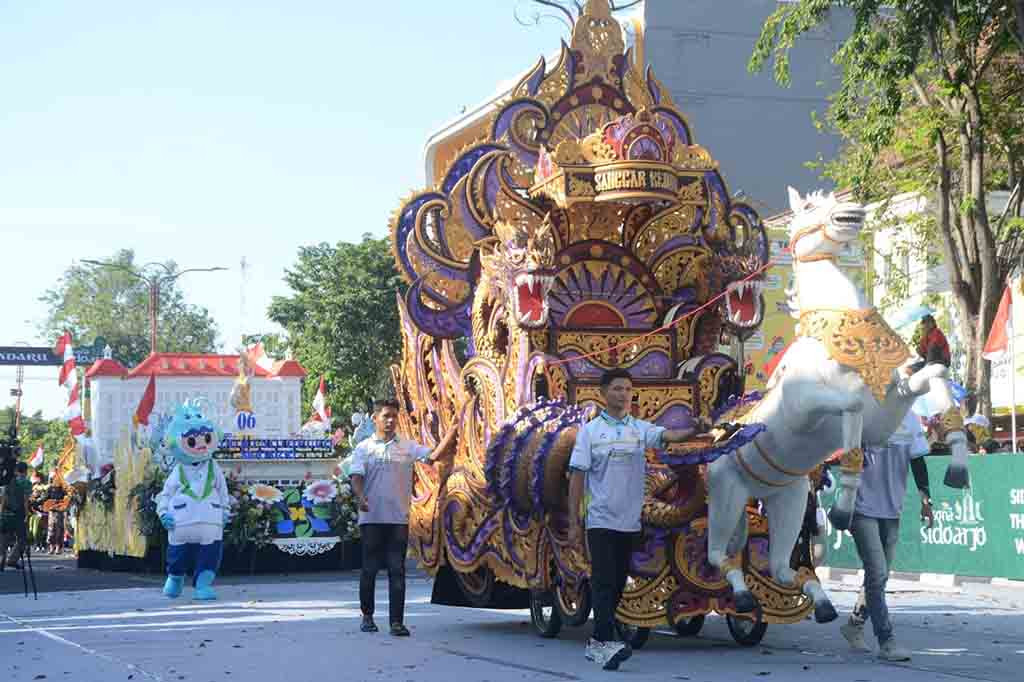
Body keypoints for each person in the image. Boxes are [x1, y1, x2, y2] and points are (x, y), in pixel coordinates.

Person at [567, 368, 709, 671]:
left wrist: (695, 430)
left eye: (628, 389)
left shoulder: (639, 429)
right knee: (604, 582)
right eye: (617, 389)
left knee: (617, 583)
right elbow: (577, 478)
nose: (624, 394)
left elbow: (669, 436)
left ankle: (597, 641)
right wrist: (574, 520)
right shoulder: (590, 432)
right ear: (604, 394)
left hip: (630, 521)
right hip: (600, 519)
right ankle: (603, 644)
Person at [349, 398, 456, 637]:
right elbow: (356, 476)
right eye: (385, 416)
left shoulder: (406, 446)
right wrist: (360, 497)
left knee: (397, 570)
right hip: (372, 518)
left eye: (394, 416)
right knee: (370, 569)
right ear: (374, 418)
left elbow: (434, 456)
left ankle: (396, 622)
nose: (390, 420)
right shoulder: (364, 448)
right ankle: (367, 616)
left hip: (398, 517)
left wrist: (452, 431)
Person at [840, 410, 934, 661]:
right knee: (878, 572)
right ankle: (886, 641)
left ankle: (854, 625)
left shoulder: (911, 418)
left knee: (878, 578)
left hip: (892, 510)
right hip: (861, 508)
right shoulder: (863, 415)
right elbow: (845, 457)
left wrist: (927, 499)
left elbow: (918, 461)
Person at [0, 462, 33, 571]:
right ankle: (12, 560)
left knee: (4, 539)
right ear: (26, 471)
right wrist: (27, 514)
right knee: (22, 539)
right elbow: (25, 500)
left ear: (15, 470)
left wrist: (1, 513)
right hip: (19, 514)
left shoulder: (8, 482)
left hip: (6, 514)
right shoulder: (27, 483)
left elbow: (3, 499)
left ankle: (1, 560)